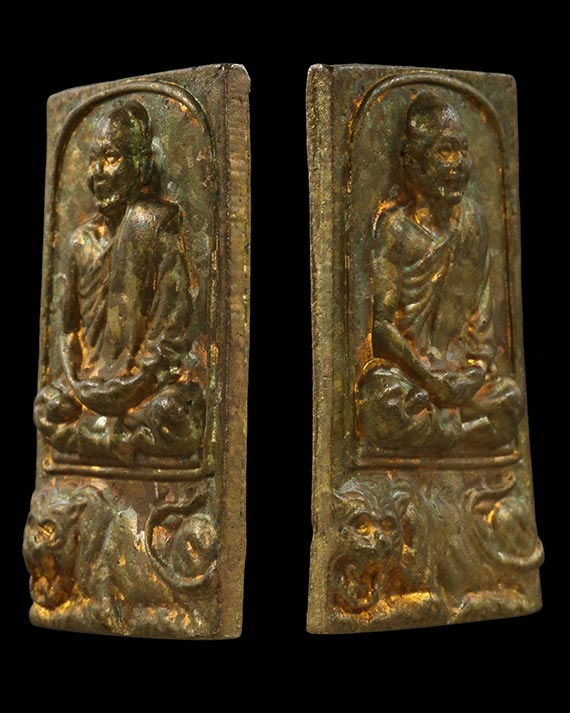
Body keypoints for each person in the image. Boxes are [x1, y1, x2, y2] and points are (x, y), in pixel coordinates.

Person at [34, 101, 205, 463]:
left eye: (111, 157)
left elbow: (170, 332)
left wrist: (133, 386)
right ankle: (122, 439)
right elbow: (67, 329)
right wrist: (78, 384)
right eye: (93, 160)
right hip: (88, 386)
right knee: (46, 408)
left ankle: (98, 436)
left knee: (177, 415)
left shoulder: (155, 226)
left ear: (142, 165)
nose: (96, 173)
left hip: (142, 387)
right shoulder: (80, 242)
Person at [357, 93, 523, 452]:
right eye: (446, 151)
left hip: (458, 376)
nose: (459, 163)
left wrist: (473, 374)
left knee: (510, 399)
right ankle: (463, 431)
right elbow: (381, 328)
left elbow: (481, 322)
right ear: (415, 162)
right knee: (381, 402)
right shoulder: (395, 228)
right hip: (412, 375)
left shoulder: (473, 222)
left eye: (463, 150)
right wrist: (430, 379)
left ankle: (441, 428)